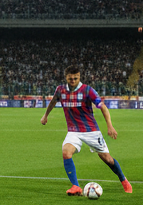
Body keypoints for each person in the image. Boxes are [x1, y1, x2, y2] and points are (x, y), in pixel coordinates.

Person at [40, 65, 131, 195]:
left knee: (108, 159)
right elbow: (53, 101)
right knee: (66, 152)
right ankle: (75, 186)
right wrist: (45, 115)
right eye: (70, 78)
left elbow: (103, 107)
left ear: (79, 77)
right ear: (66, 77)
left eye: (75, 78)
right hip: (73, 131)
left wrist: (110, 126)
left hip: (91, 131)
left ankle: (124, 180)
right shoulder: (60, 90)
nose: (73, 81)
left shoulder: (88, 90)